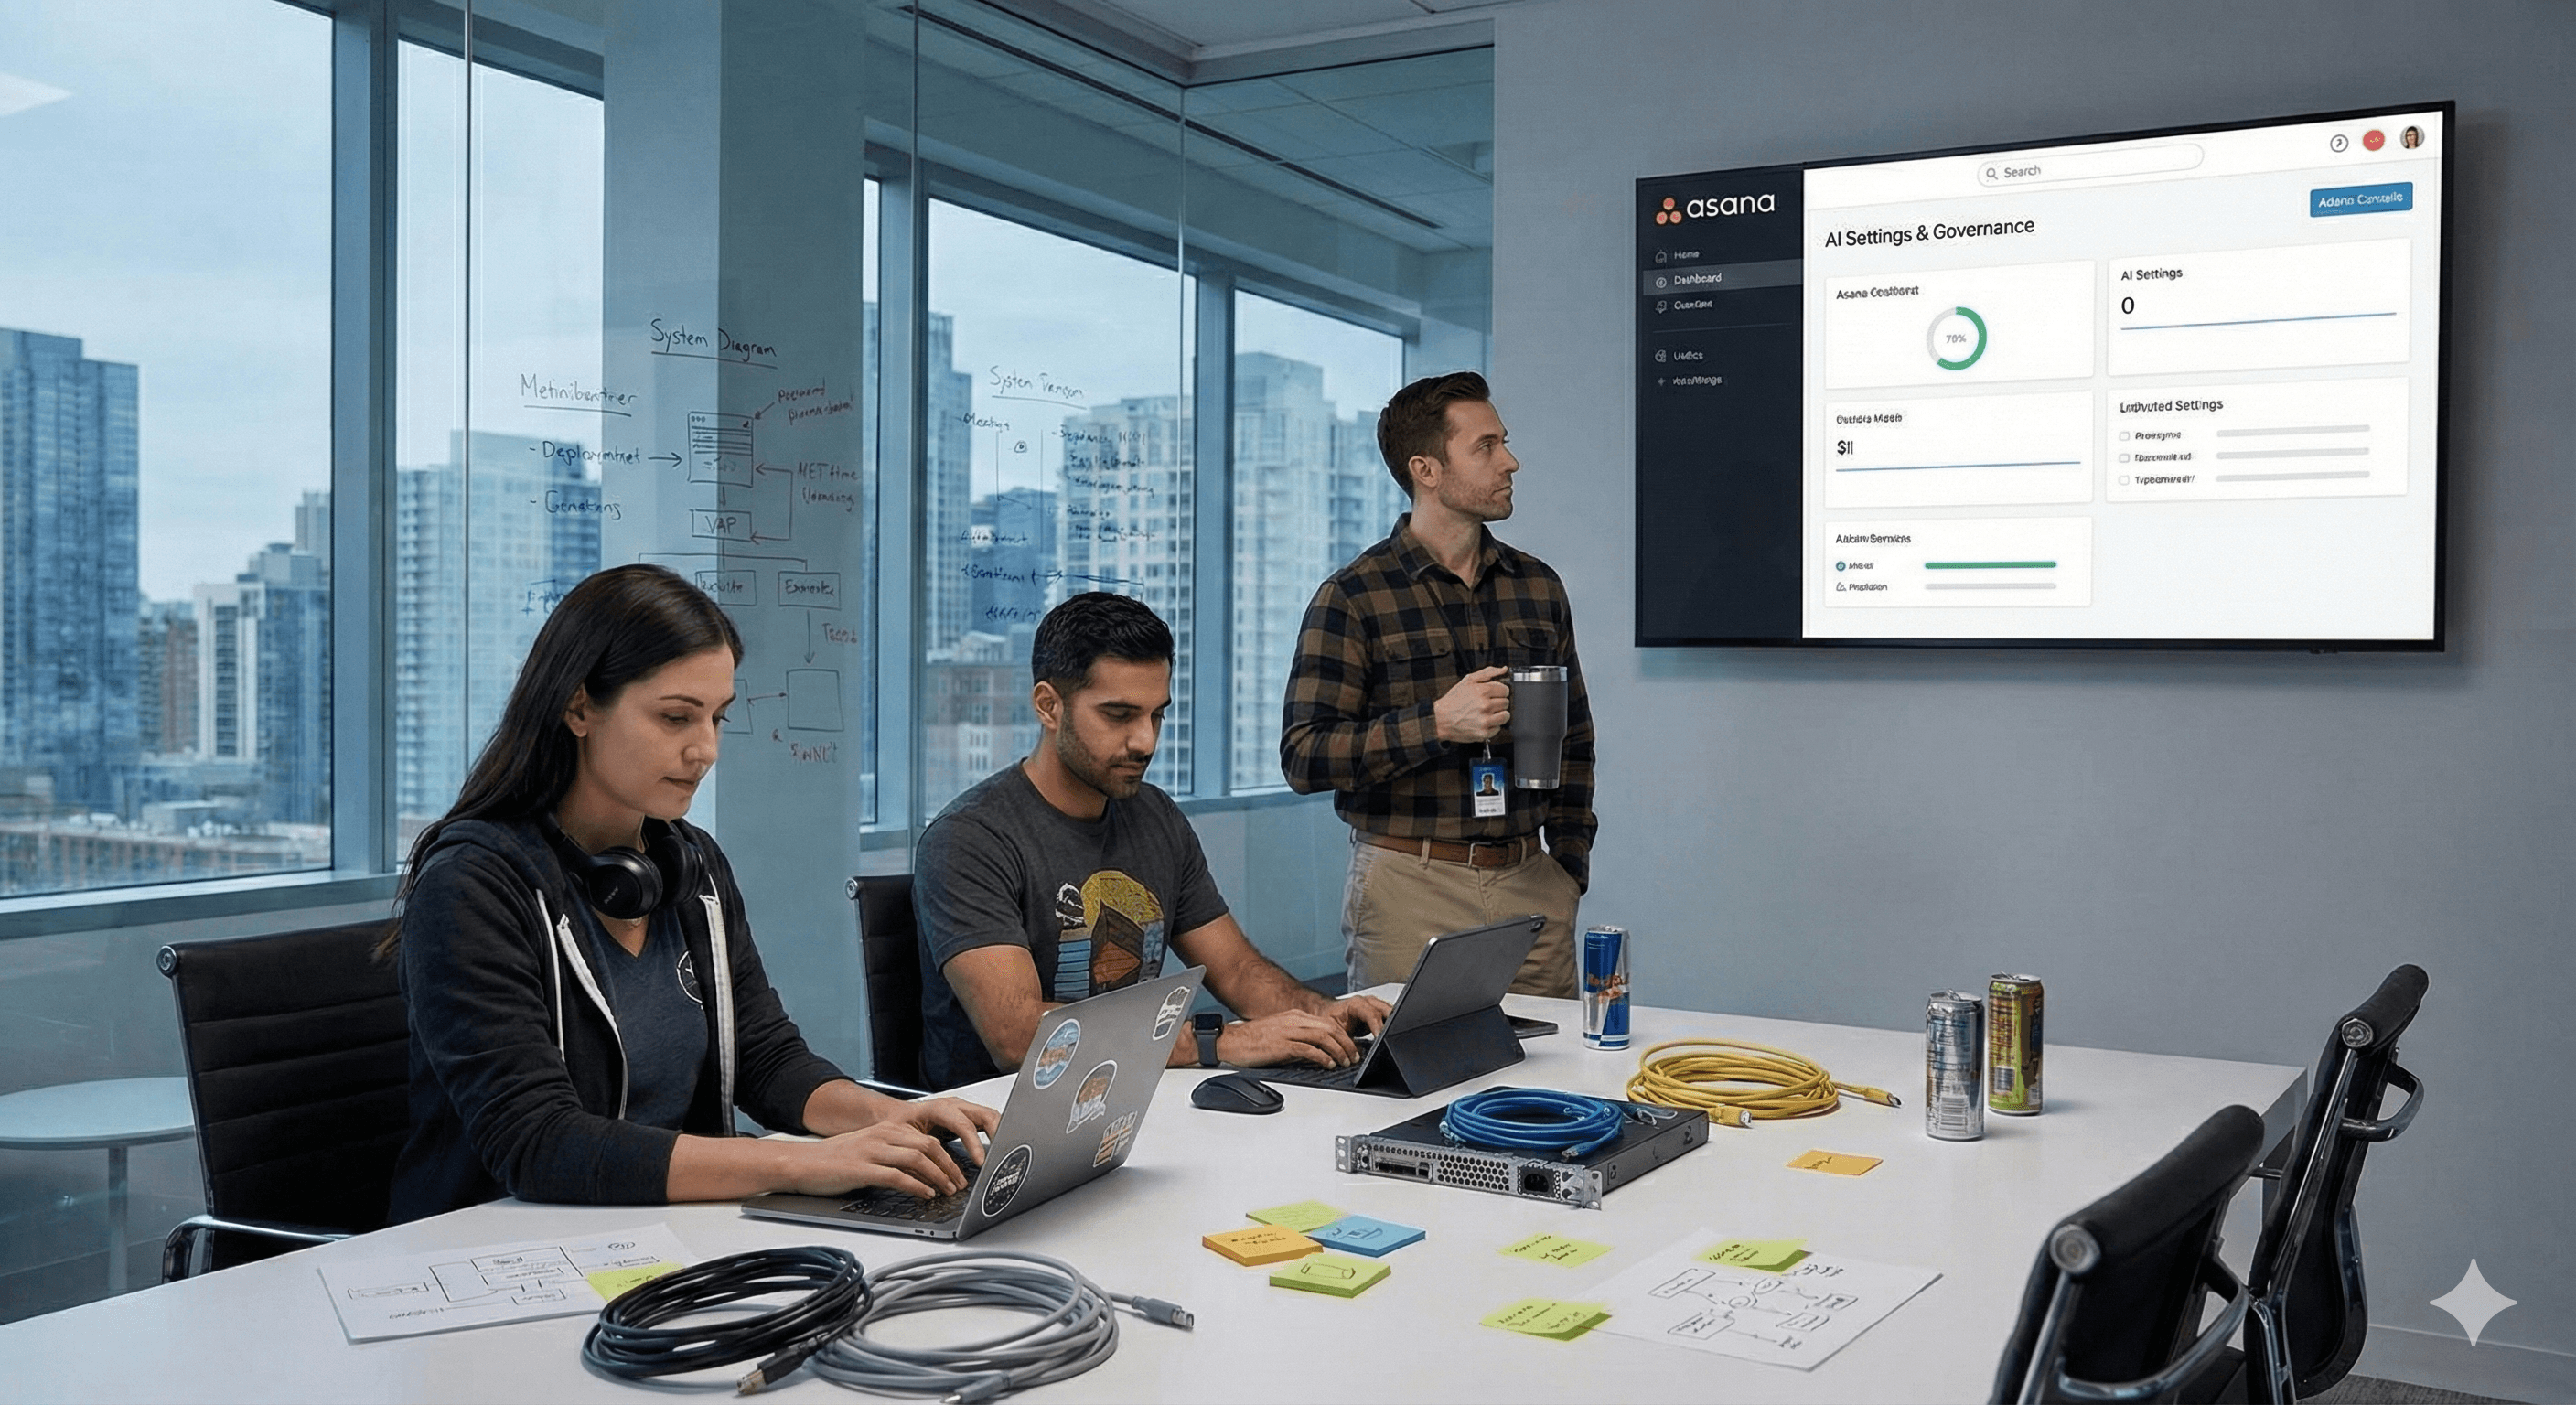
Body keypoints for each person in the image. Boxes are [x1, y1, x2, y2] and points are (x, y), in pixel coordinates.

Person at [382, 564, 996, 1223]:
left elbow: (766, 1058)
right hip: (502, 1242)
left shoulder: (690, 863)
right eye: (676, 718)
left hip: (663, 1225)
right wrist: (804, 1163)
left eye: (717, 718)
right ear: (579, 706)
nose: (705, 749)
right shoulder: (473, 884)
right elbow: (539, 1143)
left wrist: (895, 1120)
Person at [916, 592, 1391, 1089]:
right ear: (1049, 706)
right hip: (996, 1128)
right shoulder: (969, 840)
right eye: (1119, 716)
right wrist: (1214, 1043)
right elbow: (1016, 1036)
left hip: (1133, 1095)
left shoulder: (1153, 815)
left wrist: (1323, 1014)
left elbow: (1236, 968)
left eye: (1156, 715)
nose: (1146, 741)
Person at [1280, 370, 1595, 998]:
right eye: (1486, 447)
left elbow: (1575, 738)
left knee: (1552, 1086)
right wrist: (1436, 725)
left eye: (1503, 441)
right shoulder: (1354, 596)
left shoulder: (1538, 586)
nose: (1511, 460)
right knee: (1410, 1089)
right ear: (1426, 469)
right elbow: (1304, 756)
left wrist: (1567, 866)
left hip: (1532, 882)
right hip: (1410, 886)